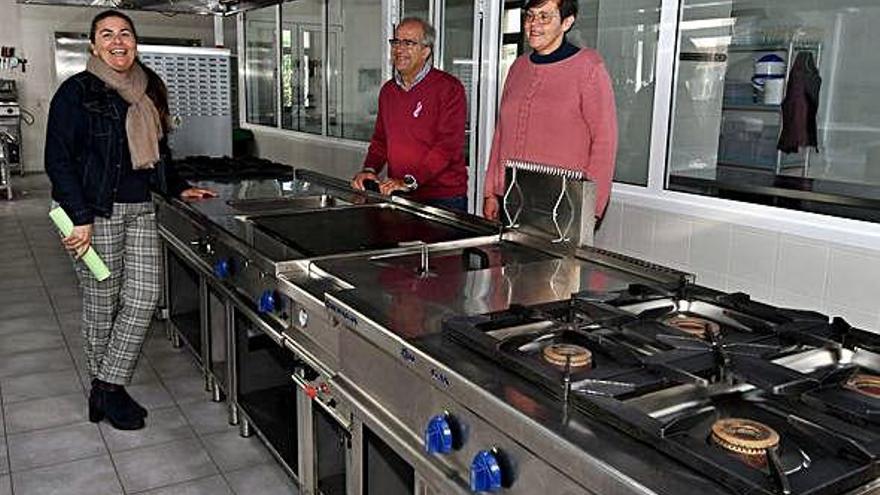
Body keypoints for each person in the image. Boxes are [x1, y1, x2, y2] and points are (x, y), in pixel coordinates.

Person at [44, 10, 215, 430]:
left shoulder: (149, 87)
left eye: (125, 33)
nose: (117, 41)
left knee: (144, 296)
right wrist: (79, 217)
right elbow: (58, 160)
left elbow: (161, 148)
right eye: (107, 34)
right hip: (95, 214)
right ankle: (108, 393)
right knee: (102, 304)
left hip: (141, 209)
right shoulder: (75, 92)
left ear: (135, 42)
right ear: (93, 44)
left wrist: (176, 185)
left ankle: (105, 386)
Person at [483, 0, 618, 223]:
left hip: (563, 205)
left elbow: (605, 141)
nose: (534, 24)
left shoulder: (588, 67)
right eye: (530, 15)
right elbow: (501, 135)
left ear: (567, 22)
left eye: (545, 16)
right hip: (511, 198)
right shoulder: (518, 67)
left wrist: (589, 209)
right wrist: (491, 191)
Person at [350, 17, 469, 211]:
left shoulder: (449, 88)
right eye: (396, 42)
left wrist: (410, 181)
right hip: (399, 194)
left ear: (426, 51)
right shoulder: (388, 91)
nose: (399, 49)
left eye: (409, 43)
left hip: (442, 199)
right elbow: (381, 141)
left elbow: (447, 147)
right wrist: (369, 170)